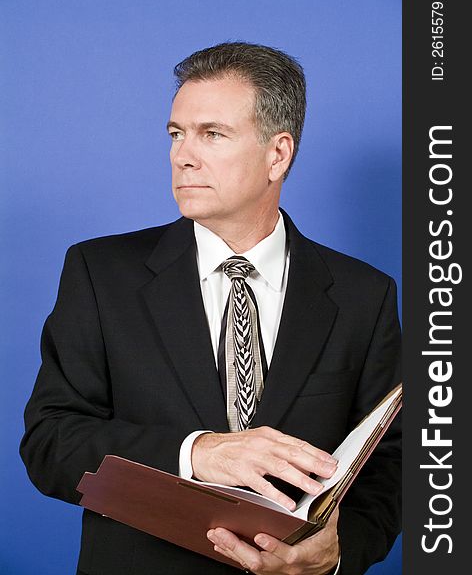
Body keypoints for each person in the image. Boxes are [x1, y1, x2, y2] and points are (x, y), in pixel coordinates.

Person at [20, 42, 401, 575]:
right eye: (176, 134)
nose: (182, 155)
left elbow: (394, 465)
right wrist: (197, 453)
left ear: (278, 153)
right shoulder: (100, 273)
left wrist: (337, 553)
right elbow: (49, 443)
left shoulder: (366, 294)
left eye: (212, 135)